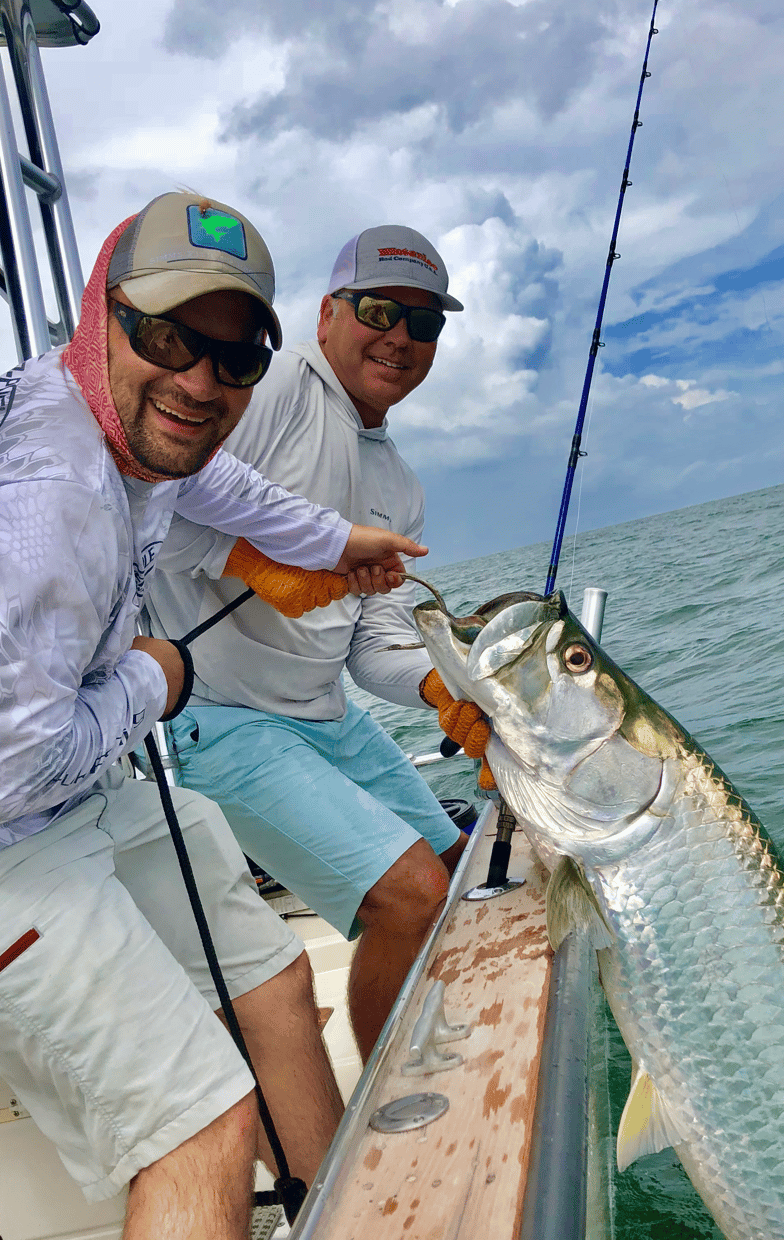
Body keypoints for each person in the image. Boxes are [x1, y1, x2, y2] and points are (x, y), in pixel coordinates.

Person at [0, 192, 426, 1240]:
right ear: (99, 314)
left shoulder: (119, 417)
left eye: (235, 360)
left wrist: (339, 539)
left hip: (57, 783)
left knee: (272, 979)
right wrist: (158, 678)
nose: (199, 381)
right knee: (198, 1125)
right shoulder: (45, 499)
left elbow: (231, 491)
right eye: (168, 338)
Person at [147, 226, 489, 1061]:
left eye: (424, 324)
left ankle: (430, 1026)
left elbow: (372, 645)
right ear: (329, 312)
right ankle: (391, 1092)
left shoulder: (397, 484)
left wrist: (445, 686)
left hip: (323, 715)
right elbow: (149, 510)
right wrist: (254, 564)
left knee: (460, 861)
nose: (401, 338)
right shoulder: (269, 390)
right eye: (380, 310)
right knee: (409, 897)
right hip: (217, 719)